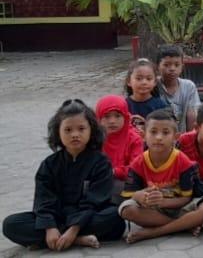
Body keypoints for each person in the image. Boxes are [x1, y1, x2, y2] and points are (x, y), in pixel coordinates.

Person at [2, 100, 125, 250]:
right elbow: (44, 201)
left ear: (91, 130)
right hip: (57, 217)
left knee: (114, 217)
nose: (75, 135)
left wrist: (74, 229)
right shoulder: (49, 164)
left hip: (87, 217)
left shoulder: (100, 162)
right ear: (58, 132)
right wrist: (49, 227)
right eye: (68, 130)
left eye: (81, 129)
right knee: (11, 224)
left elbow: (95, 200)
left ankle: (62, 239)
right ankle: (76, 240)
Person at [118, 109, 203, 243]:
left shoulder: (182, 161)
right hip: (153, 210)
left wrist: (164, 202)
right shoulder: (138, 162)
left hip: (180, 208)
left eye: (165, 132)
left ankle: (154, 232)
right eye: (153, 132)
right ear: (143, 135)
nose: (159, 137)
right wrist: (141, 196)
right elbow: (131, 193)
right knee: (126, 209)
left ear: (176, 137)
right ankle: (185, 225)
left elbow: (186, 198)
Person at [95, 95, 143, 200]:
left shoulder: (134, 139)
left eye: (117, 116)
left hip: (127, 182)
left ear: (125, 117)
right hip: (100, 179)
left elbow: (135, 169)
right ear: (98, 118)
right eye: (107, 116)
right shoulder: (95, 139)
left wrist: (114, 172)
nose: (112, 121)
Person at [156, 45, 200, 132]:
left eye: (177, 65)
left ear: (182, 67)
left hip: (182, 136)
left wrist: (189, 138)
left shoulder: (189, 86)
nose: (172, 69)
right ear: (157, 66)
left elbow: (192, 115)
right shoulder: (153, 85)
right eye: (166, 65)